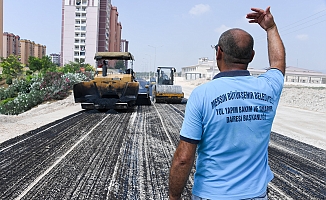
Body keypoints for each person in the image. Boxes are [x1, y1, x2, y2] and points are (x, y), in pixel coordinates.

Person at [169, 6, 285, 200]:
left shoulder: (202, 94)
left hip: (211, 195)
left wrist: (174, 196)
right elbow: (278, 64)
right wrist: (271, 28)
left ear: (218, 53)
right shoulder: (268, 88)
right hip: (255, 195)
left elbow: (183, 158)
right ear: (252, 56)